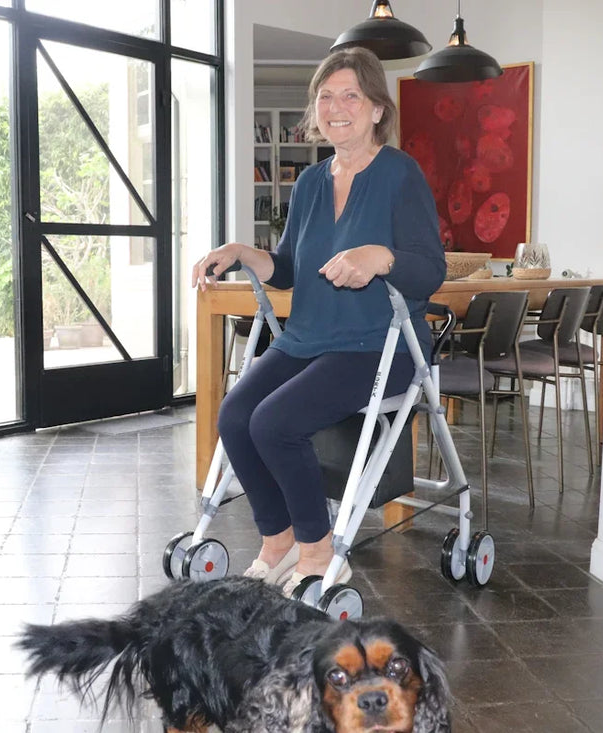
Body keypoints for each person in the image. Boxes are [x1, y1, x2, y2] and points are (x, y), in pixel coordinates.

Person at [192, 48, 445, 595]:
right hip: (309, 338)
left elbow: (429, 271)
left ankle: (319, 550)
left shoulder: (401, 175)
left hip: (379, 346)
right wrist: (241, 251)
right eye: (325, 96)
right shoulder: (308, 183)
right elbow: (286, 270)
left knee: (275, 422)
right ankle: (278, 541)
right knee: (236, 416)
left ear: (378, 108)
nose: (335, 106)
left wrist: (382, 258)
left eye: (350, 94)